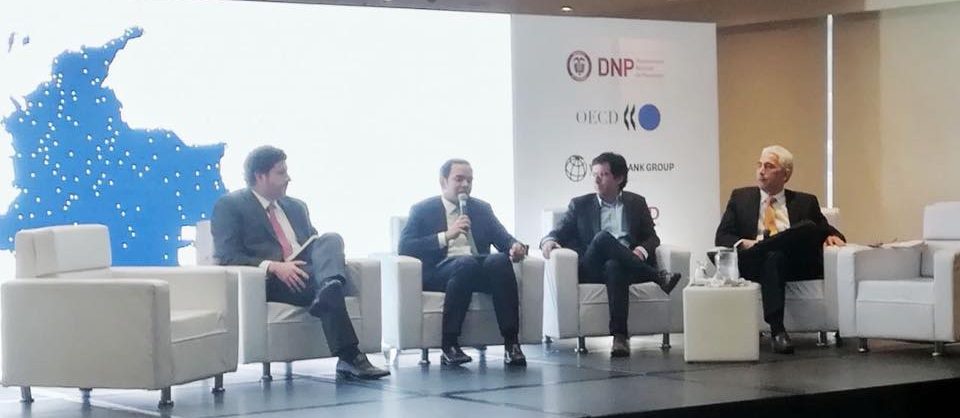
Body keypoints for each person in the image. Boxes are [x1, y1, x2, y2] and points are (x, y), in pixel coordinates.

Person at [211, 145, 389, 379]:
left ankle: (329, 287)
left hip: (308, 269)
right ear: (260, 176)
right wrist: (274, 266)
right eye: (281, 173)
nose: (288, 178)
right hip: (274, 278)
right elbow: (227, 255)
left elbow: (315, 244)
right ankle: (350, 355)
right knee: (329, 286)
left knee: (331, 239)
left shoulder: (296, 206)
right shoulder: (230, 206)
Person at [540, 152, 681, 357]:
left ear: (619, 178)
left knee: (615, 266)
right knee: (602, 238)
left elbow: (652, 238)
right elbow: (557, 232)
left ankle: (620, 338)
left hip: (627, 266)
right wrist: (548, 240)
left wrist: (640, 251)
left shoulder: (636, 203)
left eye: (603, 174)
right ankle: (657, 276)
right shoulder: (579, 205)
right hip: (592, 266)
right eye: (594, 174)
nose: (596, 180)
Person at [715, 145, 845, 354]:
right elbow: (722, 236)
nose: (761, 171)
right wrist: (746, 243)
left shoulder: (805, 201)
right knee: (772, 256)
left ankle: (765, 246)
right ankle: (777, 331)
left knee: (804, 229)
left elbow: (825, 230)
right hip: (754, 263)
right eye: (759, 165)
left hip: (793, 264)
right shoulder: (740, 198)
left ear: (785, 174)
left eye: (769, 166)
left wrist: (832, 236)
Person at [399, 159, 528, 366]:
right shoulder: (422, 209)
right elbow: (405, 247)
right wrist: (445, 236)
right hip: (441, 269)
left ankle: (512, 343)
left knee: (500, 261)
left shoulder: (481, 208)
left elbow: (503, 238)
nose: (465, 185)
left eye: (469, 180)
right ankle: (449, 344)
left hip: (476, 266)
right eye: (459, 179)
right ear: (443, 181)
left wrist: (515, 247)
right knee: (465, 264)